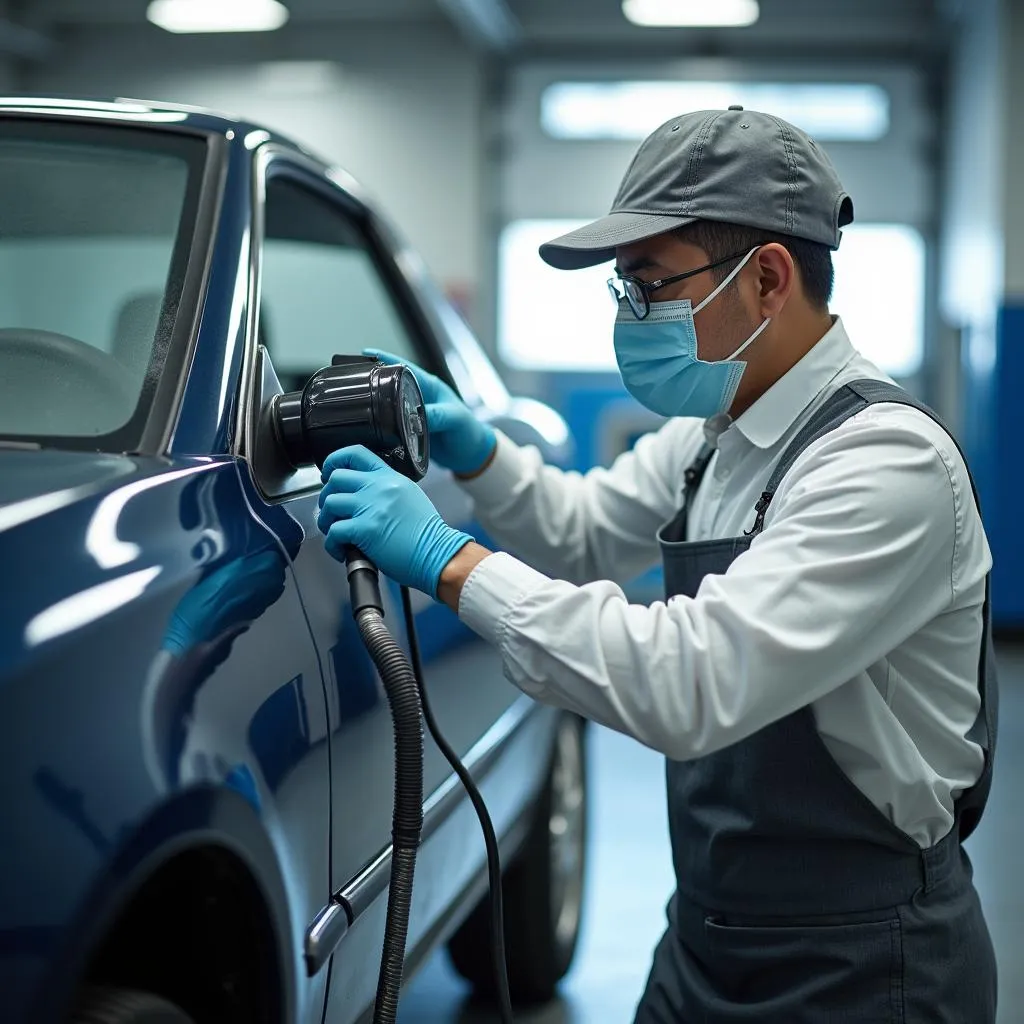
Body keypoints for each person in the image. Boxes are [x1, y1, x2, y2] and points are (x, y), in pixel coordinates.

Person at [315, 107, 998, 1022]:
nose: (631, 316)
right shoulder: (716, 431)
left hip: (864, 956)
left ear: (765, 279)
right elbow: (586, 529)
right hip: (710, 933)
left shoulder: (884, 466)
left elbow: (690, 681)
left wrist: (448, 560)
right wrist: (479, 451)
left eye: (649, 285)